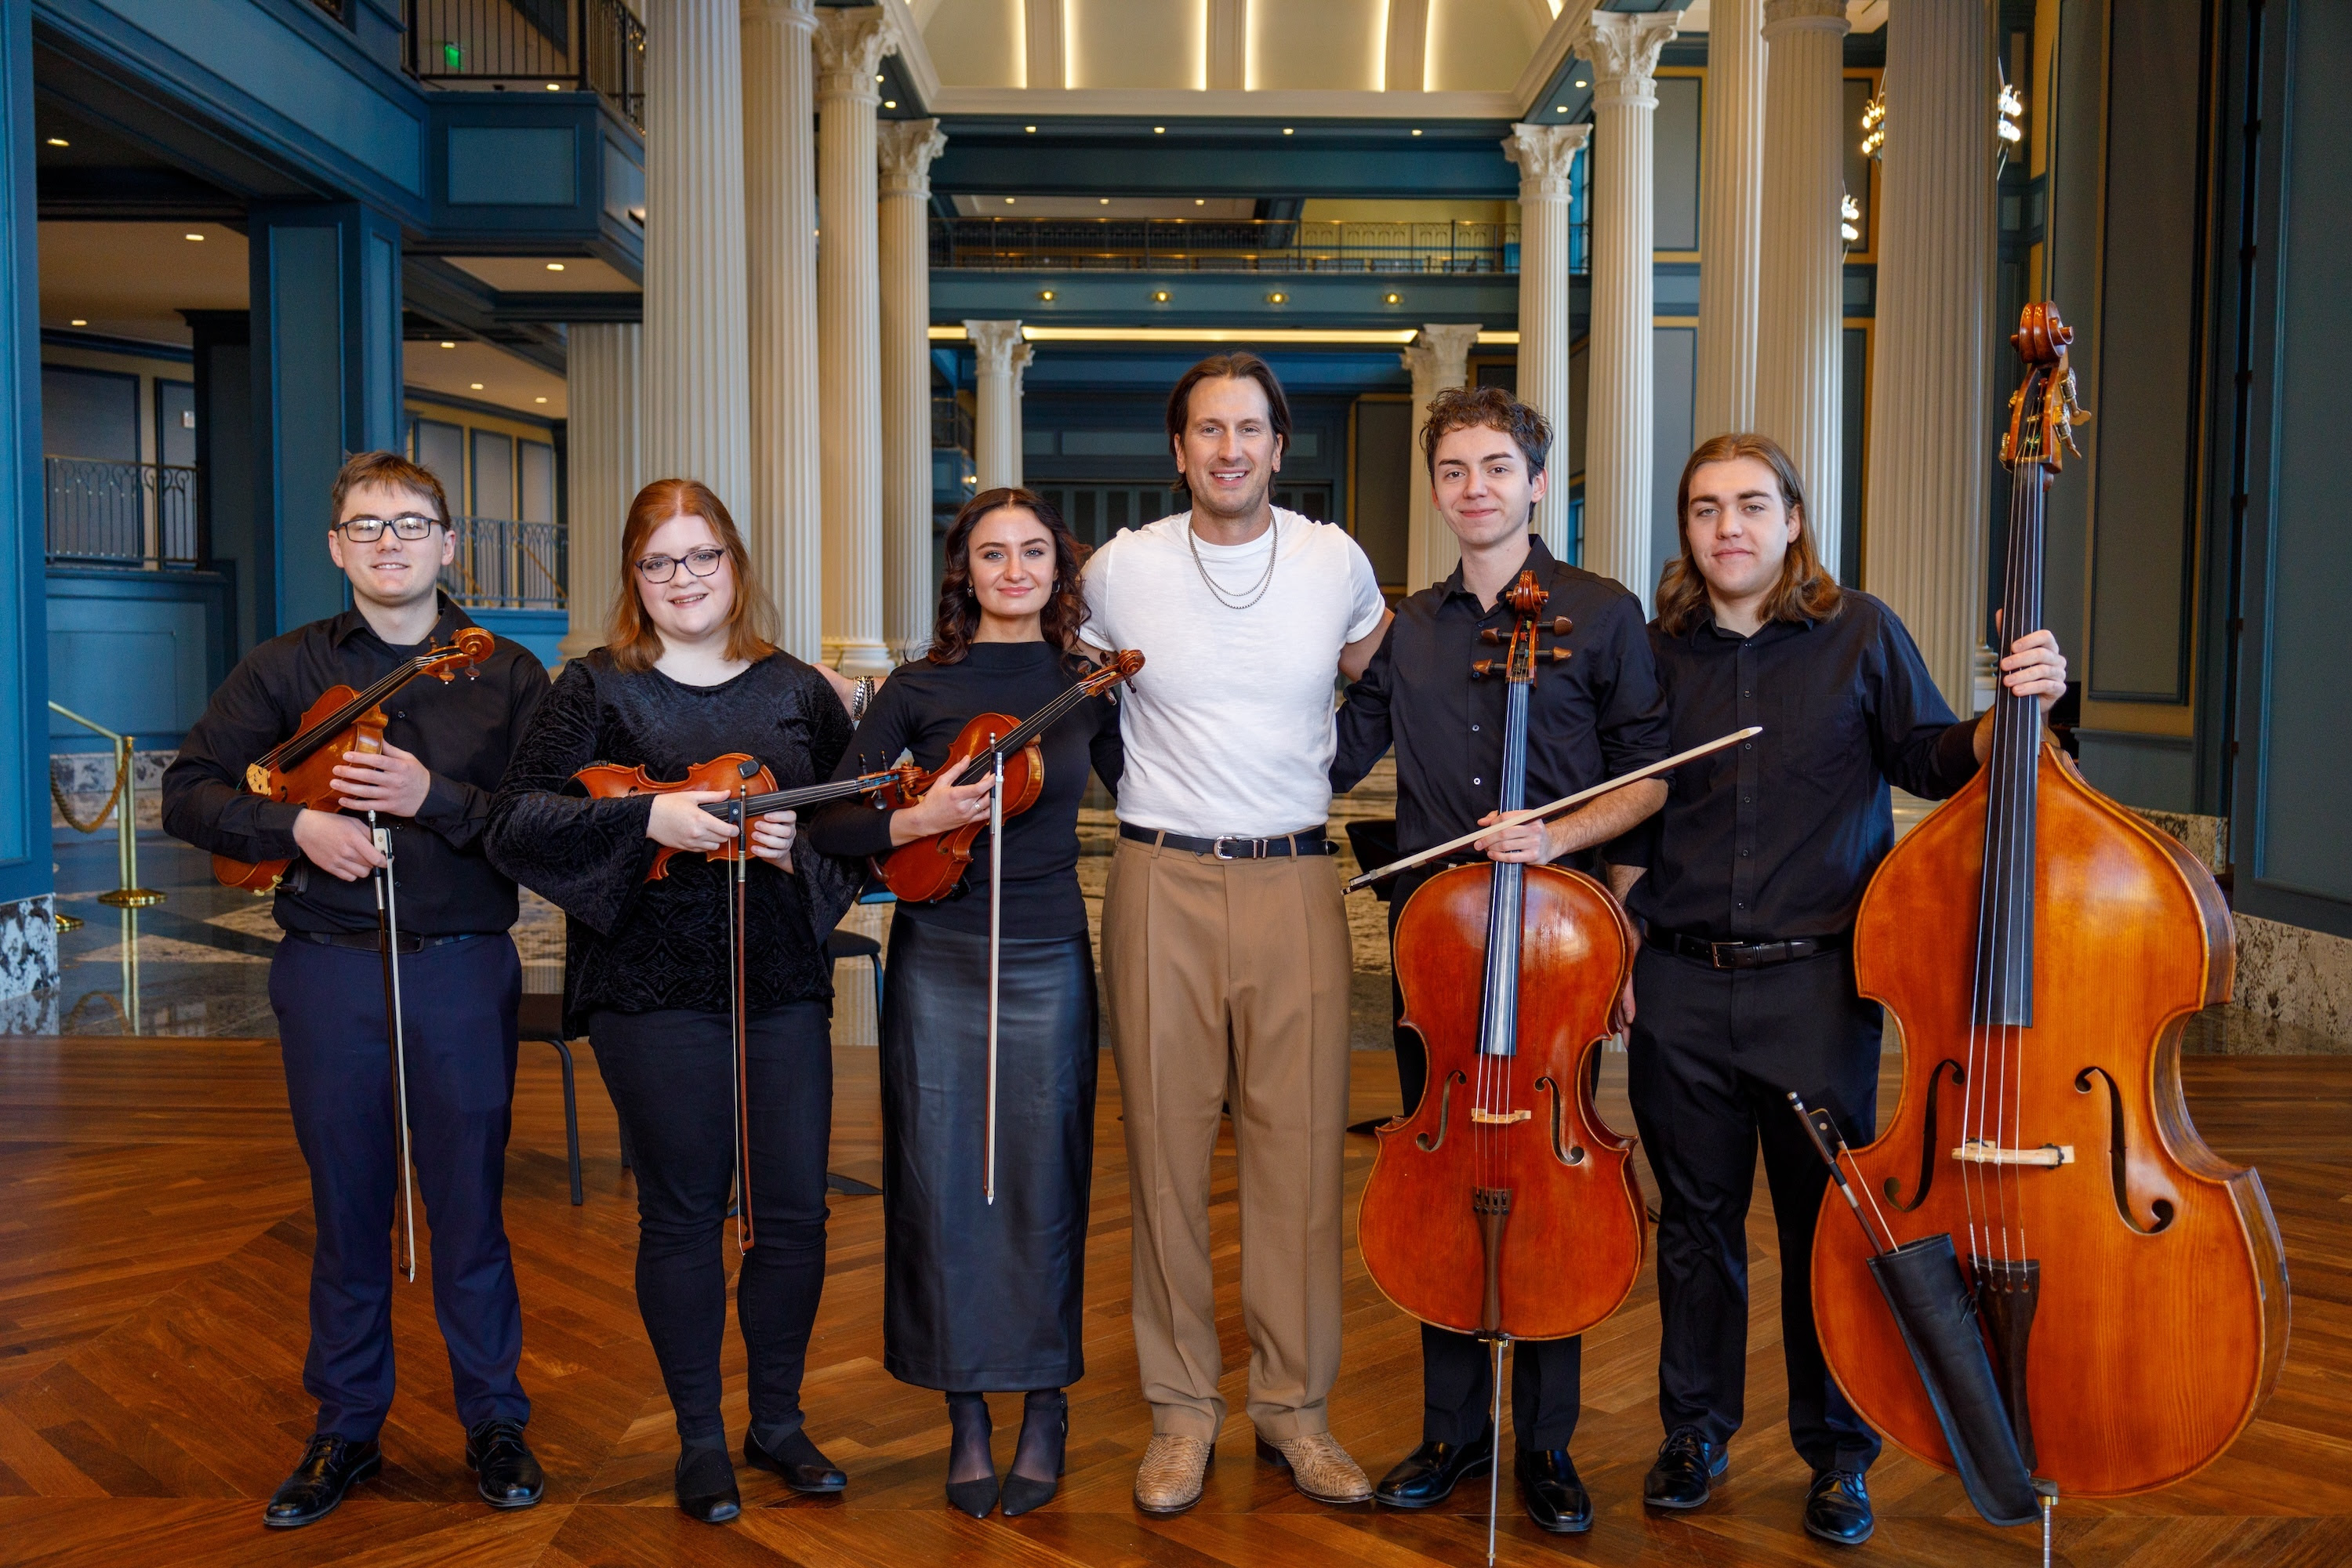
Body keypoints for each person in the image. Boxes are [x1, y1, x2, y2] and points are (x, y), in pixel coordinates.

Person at [1612, 434, 2067, 1547]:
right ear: (1687, 530)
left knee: (1832, 1232)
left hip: (1818, 991)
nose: (1730, 527)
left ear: (1793, 520)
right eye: (1707, 508)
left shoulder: (1860, 630)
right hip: (1677, 982)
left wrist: (2022, 708)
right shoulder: (1656, 653)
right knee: (1697, 1230)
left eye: (1753, 505)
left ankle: (1839, 1457)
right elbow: (1619, 801)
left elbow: (1930, 758)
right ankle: (1695, 1432)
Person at [161, 451, 550, 1529]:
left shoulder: (510, 675)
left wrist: (437, 797)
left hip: (462, 967)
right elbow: (187, 794)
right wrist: (298, 827)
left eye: (412, 524)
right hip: (328, 969)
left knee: (470, 1209)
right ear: (337, 547)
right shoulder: (283, 670)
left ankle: (495, 1419)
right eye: (368, 527)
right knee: (346, 1211)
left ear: (447, 542)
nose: (390, 543)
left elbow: (543, 824)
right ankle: (345, 1427)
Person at [483, 478, 862, 1525]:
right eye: (660, 563)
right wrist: (645, 824)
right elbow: (515, 823)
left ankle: (776, 1422)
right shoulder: (592, 686)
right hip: (649, 991)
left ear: (735, 567)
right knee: (685, 1212)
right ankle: (701, 1438)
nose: (684, 579)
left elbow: (855, 833)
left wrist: (797, 849)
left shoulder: (798, 690)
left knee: (793, 1214)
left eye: (703, 558)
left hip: (779, 981)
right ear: (634, 579)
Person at [1330, 387, 1668, 1535]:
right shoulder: (1407, 629)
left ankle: (1549, 1446)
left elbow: (1649, 778)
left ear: (1537, 480)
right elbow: (1331, 754)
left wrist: (1583, 879)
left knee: (1550, 1185)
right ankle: (1450, 1433)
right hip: (1440, 948)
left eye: (1495, 468)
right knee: (1441, 1176)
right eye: (1454, 471)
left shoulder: (1605, 613)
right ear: (1436, 492)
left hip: (1563, 947)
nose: (1474, 487)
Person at [1080, 353, 1391, 1517]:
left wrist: (1316, 770)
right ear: (1179, 451)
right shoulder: (1120, 571)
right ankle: (1179, 1413)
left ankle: (1296, 1412)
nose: (1228, 449)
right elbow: (1088, 700)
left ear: (1278, 445)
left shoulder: (1333, 561)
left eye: (1249, 429)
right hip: (1159, 874)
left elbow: (1372, 677)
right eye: (1207, 430)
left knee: (1300, 1153)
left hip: (1292, 879)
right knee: (1162, 1153)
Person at [807, 488, 1122, 1521]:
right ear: (965, 572)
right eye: (994, 553)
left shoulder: (1083, 685)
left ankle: (1043, 1403)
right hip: (940, 952)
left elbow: (1156, 780)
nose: (1015, 570)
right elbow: (838, 824)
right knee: (941, 1184)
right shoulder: (917, 686)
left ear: (1056, 569)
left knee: (1045, 1181)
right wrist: (922, 817)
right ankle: (967, 1415)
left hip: (1048, 954)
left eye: (1034, 552)